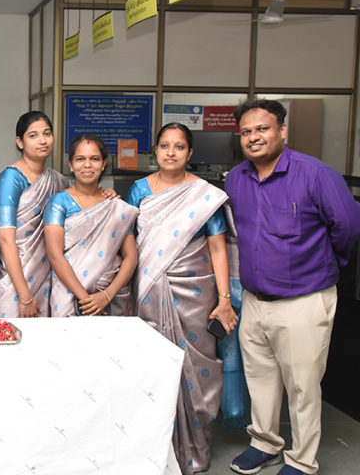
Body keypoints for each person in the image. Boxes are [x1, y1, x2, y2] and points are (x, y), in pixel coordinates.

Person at [226, 99, 360, 475]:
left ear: (282, 130)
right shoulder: (236, 178)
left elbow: (348, 226)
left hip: (304, 298)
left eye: (262, 129)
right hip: (255, 300)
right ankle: (265, 442)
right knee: (260, 379)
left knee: (302, 385)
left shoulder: (315, 174)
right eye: (247, 132)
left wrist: (323, 264)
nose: (254, 137)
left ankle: (302, 459)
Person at [127, 122, 238, 474]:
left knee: (197, 370)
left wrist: (224, 299)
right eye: (164, 146)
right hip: (148, 291)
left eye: (178, 146)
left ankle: (193, 451)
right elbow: (127, 241)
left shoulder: (205, 194)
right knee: (152, 369)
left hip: (195, 294)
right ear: (155, 151)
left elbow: (217, 248)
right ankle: (153, 451)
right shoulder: (139, 189)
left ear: (190, 153)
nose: (171, 152)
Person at [44, 134, 138, 317]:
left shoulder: (114, 205)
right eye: (80, 159)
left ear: (103, 164)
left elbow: (131, 256)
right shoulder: (59, 202)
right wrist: (86, 300)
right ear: (71, 164)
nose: (87, 165)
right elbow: (55, 255)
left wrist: (106, 296)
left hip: (111, 297)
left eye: (94, 159)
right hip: (69, 297)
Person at [0, 111, 68, 318]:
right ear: (20, 142)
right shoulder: (11, 179)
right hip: (16, 281)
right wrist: (24, 296)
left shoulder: (59, 181)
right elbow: (5, 239)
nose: (42, 140)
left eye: (47, 133)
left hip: (49, 277)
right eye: (33, 135)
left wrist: (105, 193)